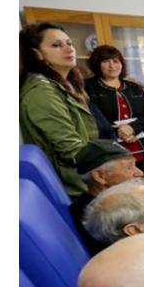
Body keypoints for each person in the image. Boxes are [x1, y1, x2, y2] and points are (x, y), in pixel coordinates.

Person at [19, 22, 99, 197]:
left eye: (69, 43)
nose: (69, 49)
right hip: (73, 189)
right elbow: (72, 149)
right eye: (56, 45)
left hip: (82, 180)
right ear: (37, 54)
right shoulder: (42, 91)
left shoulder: (64, 84)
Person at [84, 45, 144, 170]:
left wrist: (133, 128)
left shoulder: (134, 87)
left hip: (136, 145)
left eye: (116, 61)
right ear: (97, 64)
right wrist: (119, 133)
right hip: (107, 149)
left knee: (137, 179)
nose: (112, 66)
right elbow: (90, 118)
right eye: (106, 61)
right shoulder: (87, 87)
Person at [70, 140, 144, 254]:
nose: (140, 173)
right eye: (129, 167)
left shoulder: (109, 204)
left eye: (135, 165)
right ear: (100, 176)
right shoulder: (102, 217)